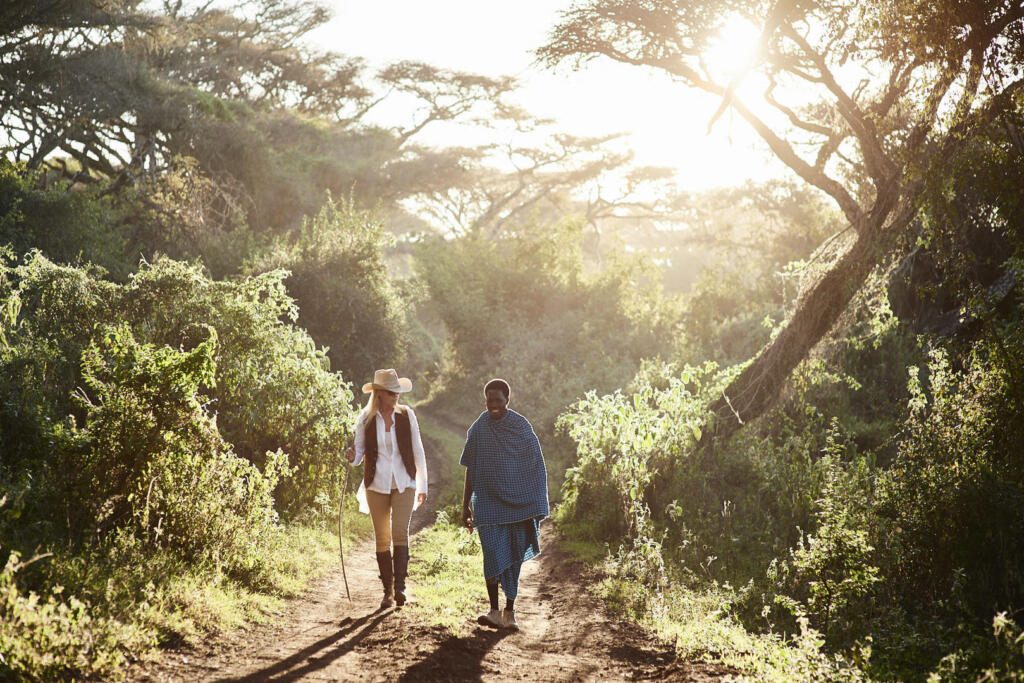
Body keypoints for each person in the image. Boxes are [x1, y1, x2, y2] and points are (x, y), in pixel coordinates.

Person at [460, 378, 549, 631]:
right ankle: (493, 611)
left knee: (513, 556)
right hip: (488, 503)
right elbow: (471, 468)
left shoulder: (521, 427)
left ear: (507, 400)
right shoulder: (479, 428)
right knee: (491, 554)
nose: (493, 405)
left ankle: (509, 612)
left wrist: (536, 501)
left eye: (498, 400)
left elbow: (536, 466)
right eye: (489, 401)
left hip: (518, 506)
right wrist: (465, 504)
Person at [347, 368, 428, 609]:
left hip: (404, 482)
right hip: (376, 484)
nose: (396, 396)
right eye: (391, 392)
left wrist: (422, 484)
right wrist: (351, 456)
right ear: (380, 394)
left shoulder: (407, 415)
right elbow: (358, 455)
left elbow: (418, 451)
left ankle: (400, 587)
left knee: (400, 532)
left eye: (397, 392)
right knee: (382, 537)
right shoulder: (366, 418)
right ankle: (387, 591)